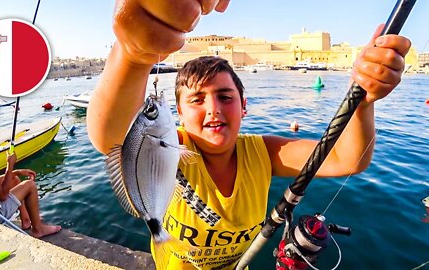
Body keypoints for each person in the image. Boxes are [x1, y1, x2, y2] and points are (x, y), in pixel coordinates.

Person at [87, 1, 411, 269]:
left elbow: (347, 158)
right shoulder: (172, 148)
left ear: (244, 106)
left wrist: (363, 100)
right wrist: (134, 53)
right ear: (180, 115)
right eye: (197, 100)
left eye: (225, 97)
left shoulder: (264, 153)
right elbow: (110, 138)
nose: (213, 109)